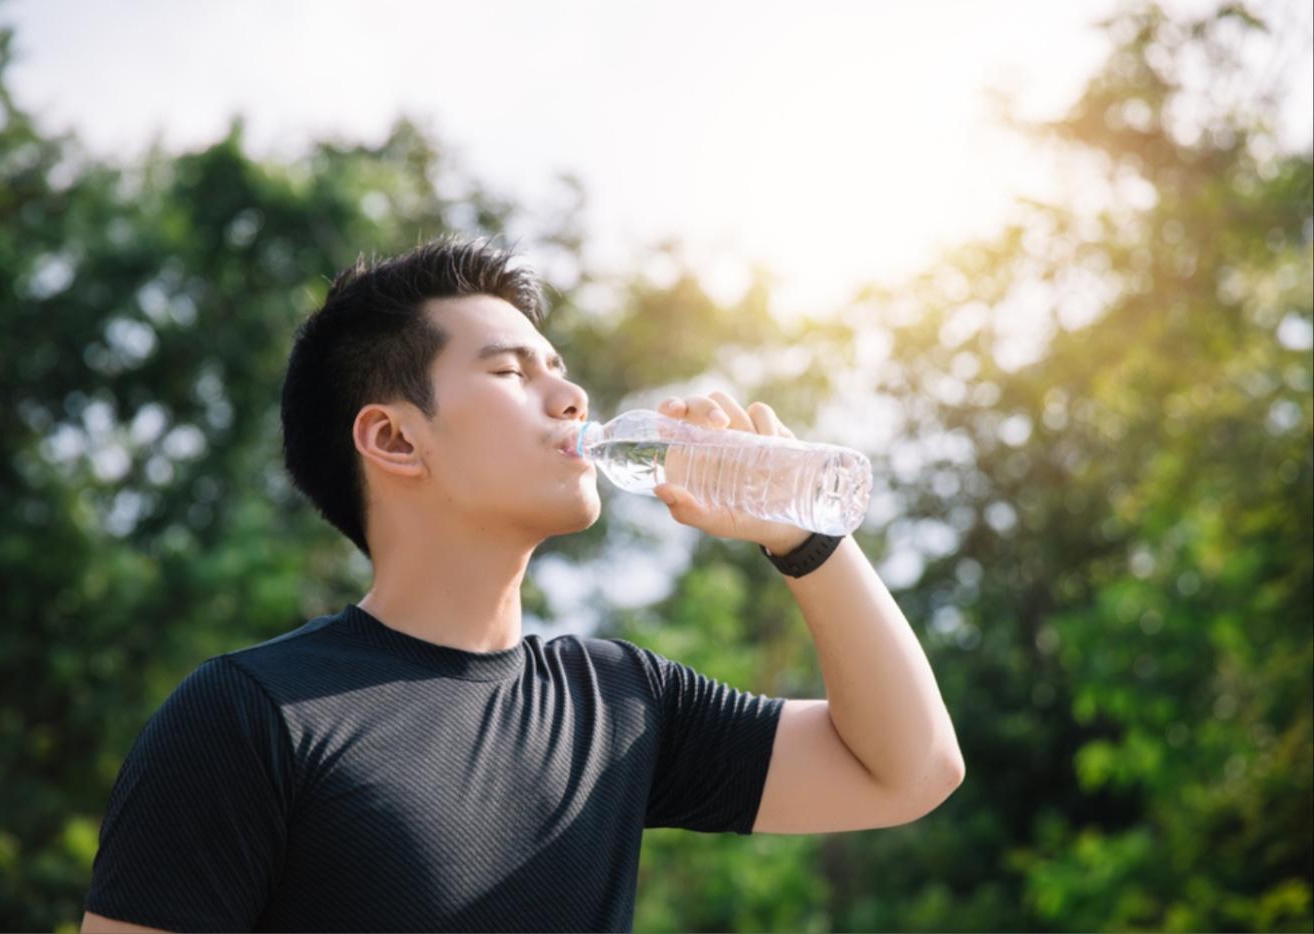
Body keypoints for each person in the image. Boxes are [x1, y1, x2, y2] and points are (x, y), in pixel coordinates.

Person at [81, 235, 965, 933]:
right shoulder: (249, 716)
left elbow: (910, 771)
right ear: (394, 440)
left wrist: (805, 535)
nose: (571, 394)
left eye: (558, 366)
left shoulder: (621, 705)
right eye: (511, 371)